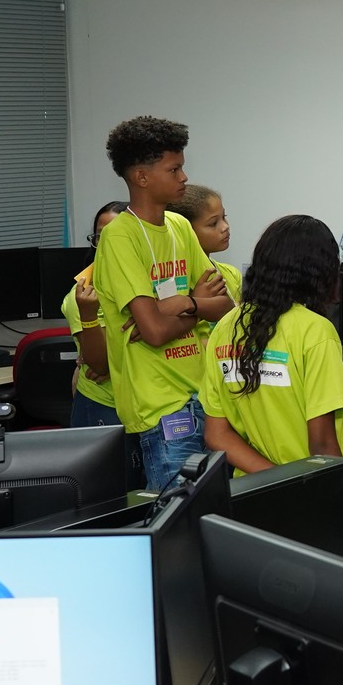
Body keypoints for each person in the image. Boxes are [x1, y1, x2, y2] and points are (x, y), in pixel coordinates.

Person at [92, 116, 233, 492]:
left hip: (205, 393)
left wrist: (179, 303)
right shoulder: (120, 237)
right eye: (174, 169)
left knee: (214, 513)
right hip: (161, 409)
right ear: (141, 177)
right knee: (178, 519)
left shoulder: (179, 226)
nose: (184, 177)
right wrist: (195, 307)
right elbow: (153, 333)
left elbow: (226, 306)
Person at [202, 215, 343, 473]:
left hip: (252, 488)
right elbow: (322, 442)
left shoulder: (227, 327)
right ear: (320, 271)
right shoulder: (315, 331)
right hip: (313, 489)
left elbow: (217, 435)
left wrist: (274, 479)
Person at [62, 200, 127, 429]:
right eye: (101, 236)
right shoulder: (83, 293)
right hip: (104, 402)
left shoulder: (150, 283)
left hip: (141, 400)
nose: (108, 244)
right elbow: (100, 365)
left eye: (117, 235)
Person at [169, 183, 241, 338]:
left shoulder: (231, 274)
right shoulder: (178, 279)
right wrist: (197, 302)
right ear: (186, 231)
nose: (225, 227)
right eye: (213, 223)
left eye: (224, 217)